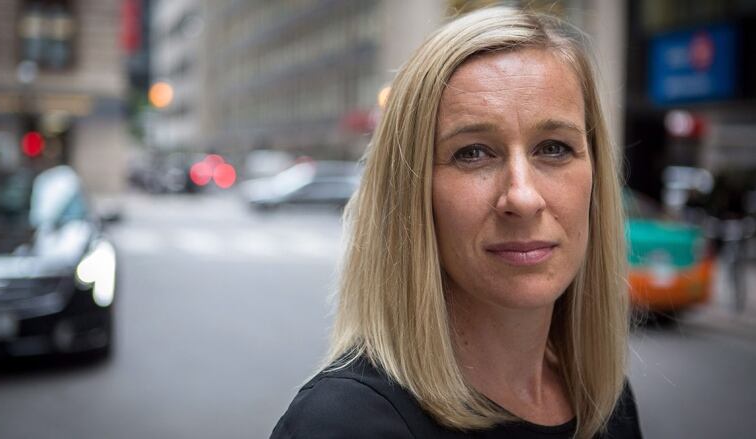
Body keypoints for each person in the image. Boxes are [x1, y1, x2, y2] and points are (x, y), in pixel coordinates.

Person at [271, 6, 642, 439]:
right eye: (473, 153)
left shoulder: (604, 401)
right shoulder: (346, 423)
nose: (522, 197)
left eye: (554, 148)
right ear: (412, 194)